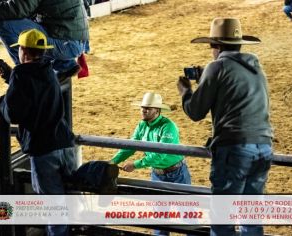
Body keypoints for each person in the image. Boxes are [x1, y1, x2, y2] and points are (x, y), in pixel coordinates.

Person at [177, 18, 273, 236]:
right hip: (264, 146)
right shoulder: (254, 64)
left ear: (215, 46)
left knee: (223, 219)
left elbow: (195, 111)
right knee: (252, 217)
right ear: (239, 44)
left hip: (235, 148)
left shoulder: (216, 66)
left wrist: (185, 91)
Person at [0, 29, 77, 236]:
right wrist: (11, 79)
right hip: (64, 143)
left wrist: (2, 101)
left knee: (52, 205)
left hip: (43, 149)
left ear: (23, 50)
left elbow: (13, 114)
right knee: (69, 195)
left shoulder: (21, 75)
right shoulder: (49, 70)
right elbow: (36, 91)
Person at [110, 92, 192, 235]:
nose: (144, 110)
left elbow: (160, 154)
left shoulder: (168, 126)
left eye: (148, 108)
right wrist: (113, 161)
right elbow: (131, 146)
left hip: (176, 174)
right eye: (143, 107)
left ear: (157, 110)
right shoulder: (143, 125)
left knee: (187, 216)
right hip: (162, 173)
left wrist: (136, 164)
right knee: (160, 217)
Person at [0, 0, 89, 81]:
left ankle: (25, 76)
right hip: (71, 38)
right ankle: (64, 64)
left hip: (66, 42)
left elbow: (16, 9)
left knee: (6, 25)